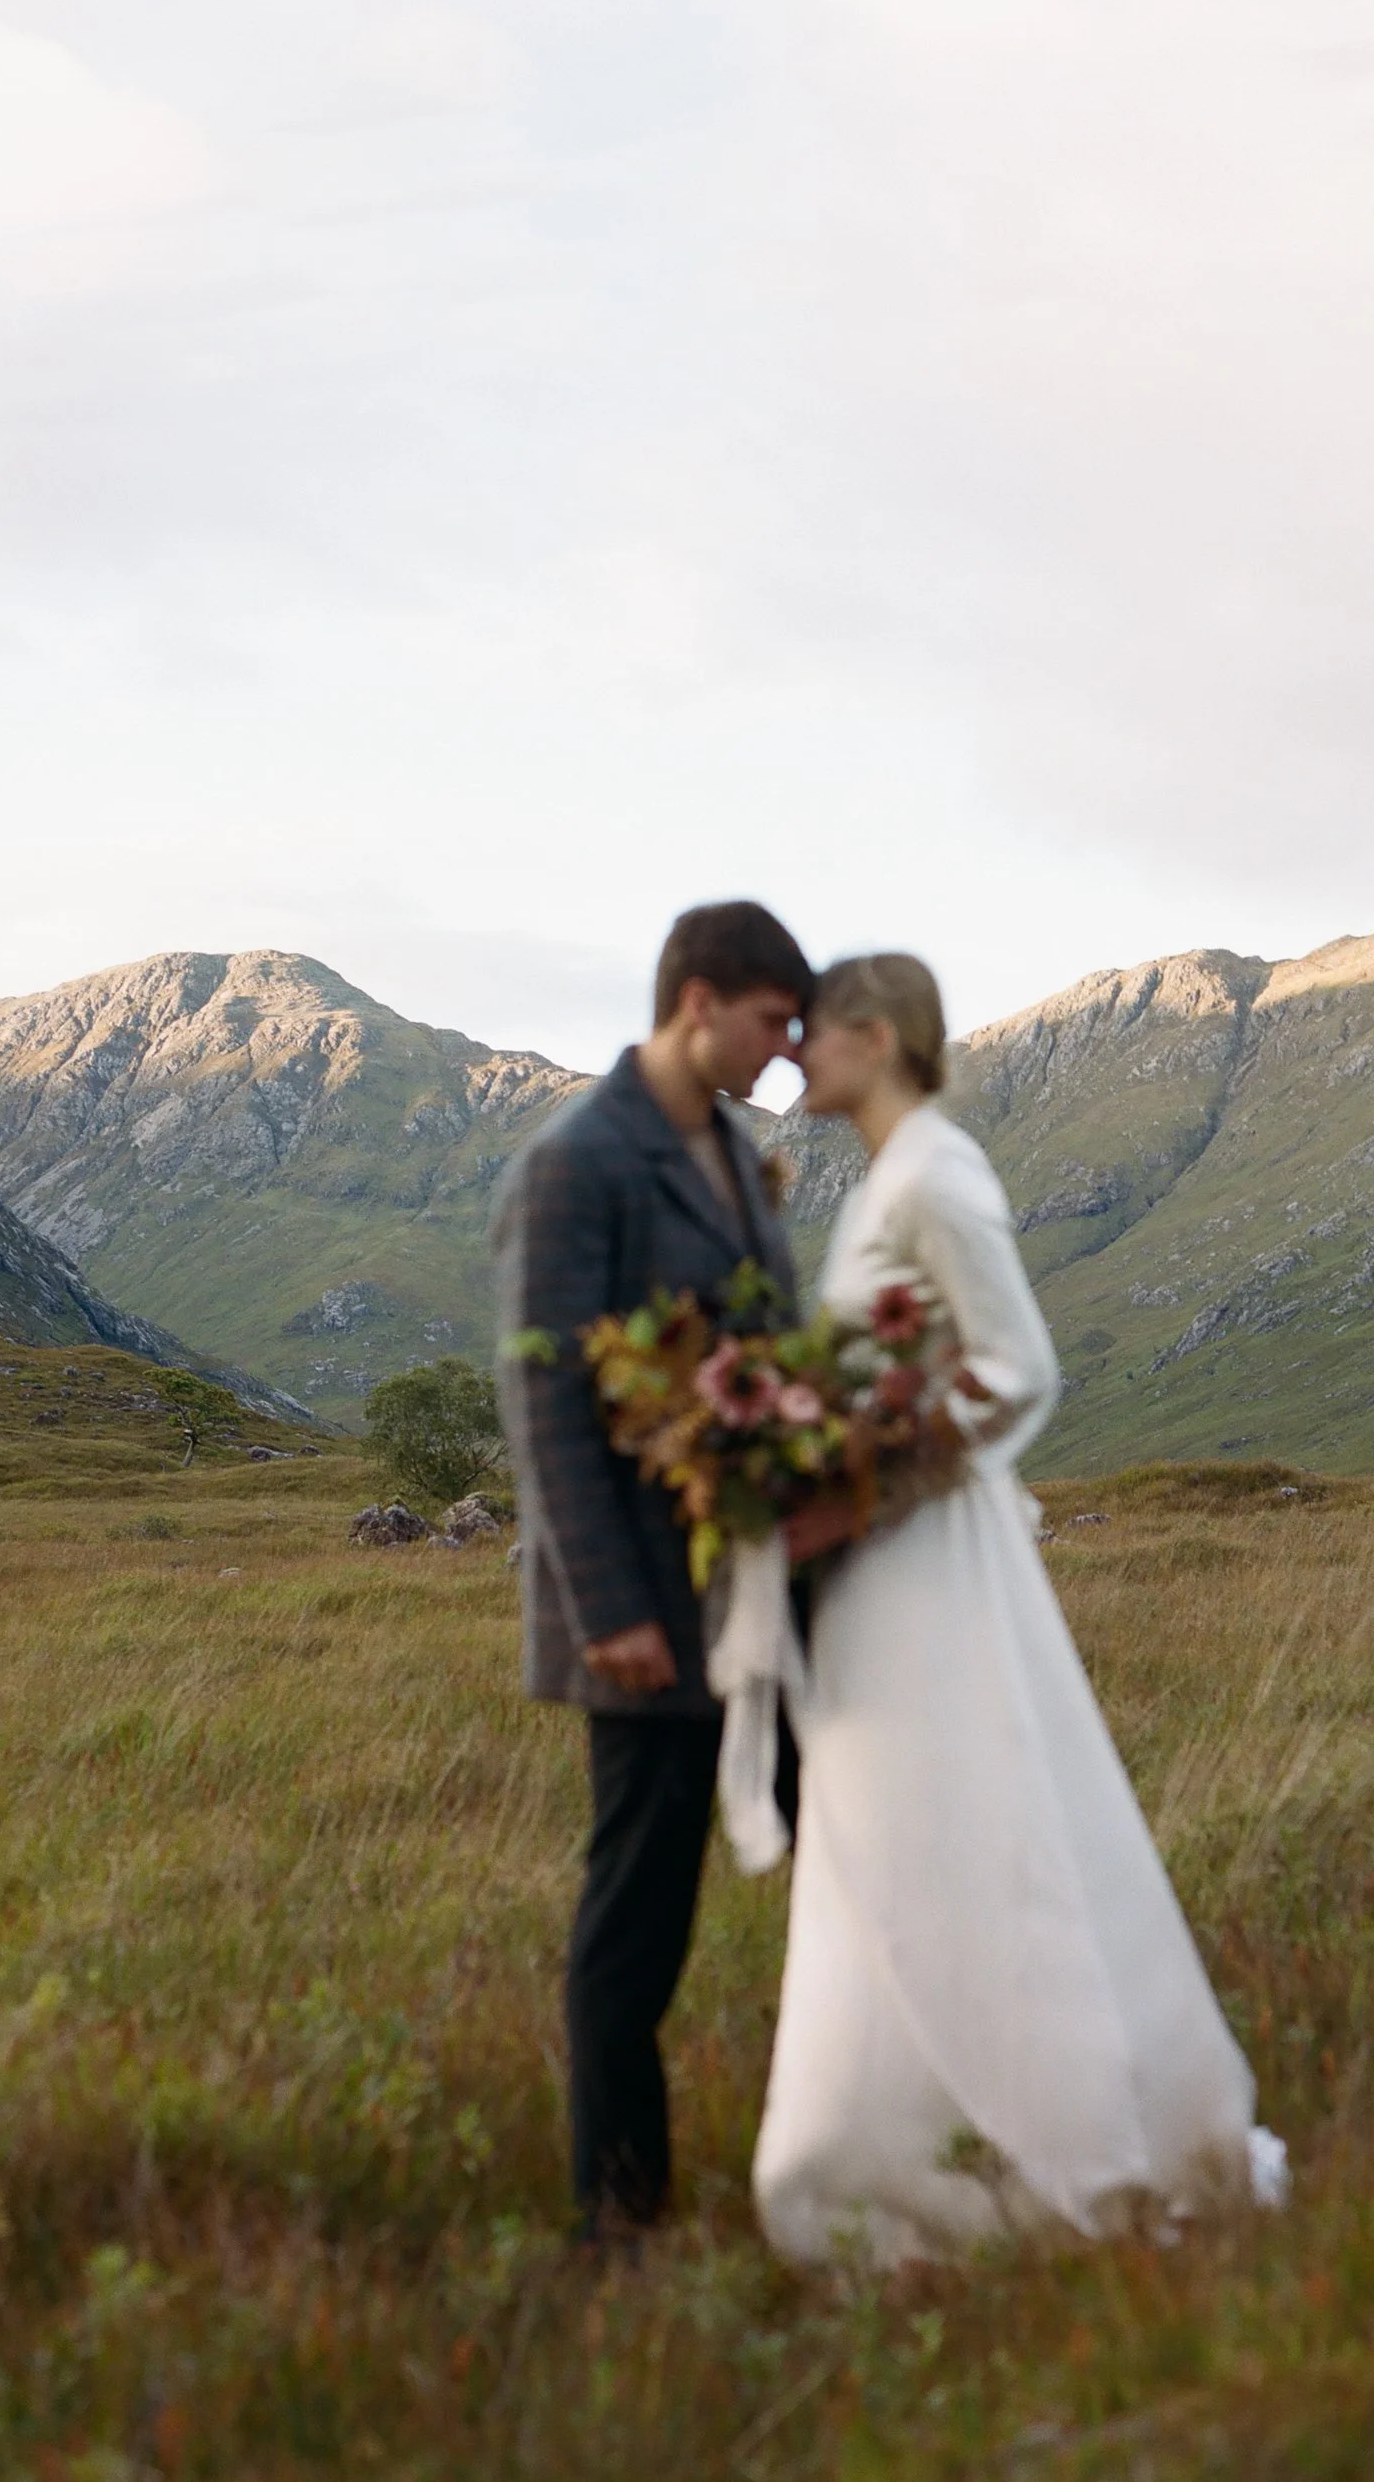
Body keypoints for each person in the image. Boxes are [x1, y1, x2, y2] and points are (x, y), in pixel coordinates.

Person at [754, 953, 1283, 2263]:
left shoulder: (935, 1173)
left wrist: (870, 1481)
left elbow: (1016, 1370)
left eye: (812, 1033)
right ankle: (867, 2152)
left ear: (874, 1038)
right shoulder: (894, 1174)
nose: (793, 1057)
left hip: (923, 1560)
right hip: (884, 1564)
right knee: (888, 1845)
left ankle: (1090, 2156)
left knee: (966, 1834)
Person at [494, 900, 815, 2242]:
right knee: (636, 1914)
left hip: (751, 1601)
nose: (786, 1053)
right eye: (769, 1023)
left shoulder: (733, 1155)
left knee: (845, 1836)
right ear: (697, 1001)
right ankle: (616, 2222)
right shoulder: (579, 1159)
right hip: (642, 1614)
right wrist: (609, 1610)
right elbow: (546, 1403)